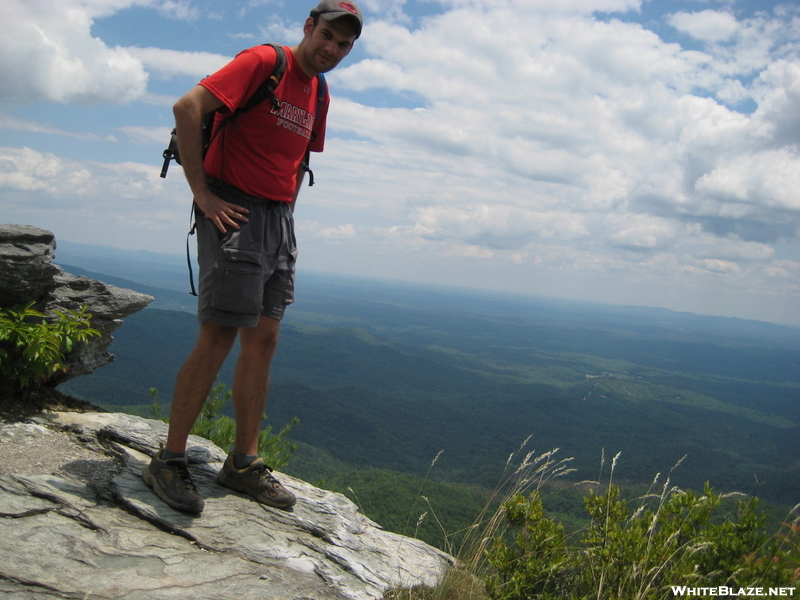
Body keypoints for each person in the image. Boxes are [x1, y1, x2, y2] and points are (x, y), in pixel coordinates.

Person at [142, 1, 363, 514]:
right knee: (219, 334)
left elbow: (297, 155)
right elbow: (187, 107)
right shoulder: (266, 61)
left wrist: (286, 217)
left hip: (277, 219)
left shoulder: (319, 91)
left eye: (343, 45)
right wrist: (203, 195)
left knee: (264, 337)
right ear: (309, 28)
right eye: (327, 36)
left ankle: (243, 463)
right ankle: (170, 459)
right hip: (232, 210)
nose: (332, 49)